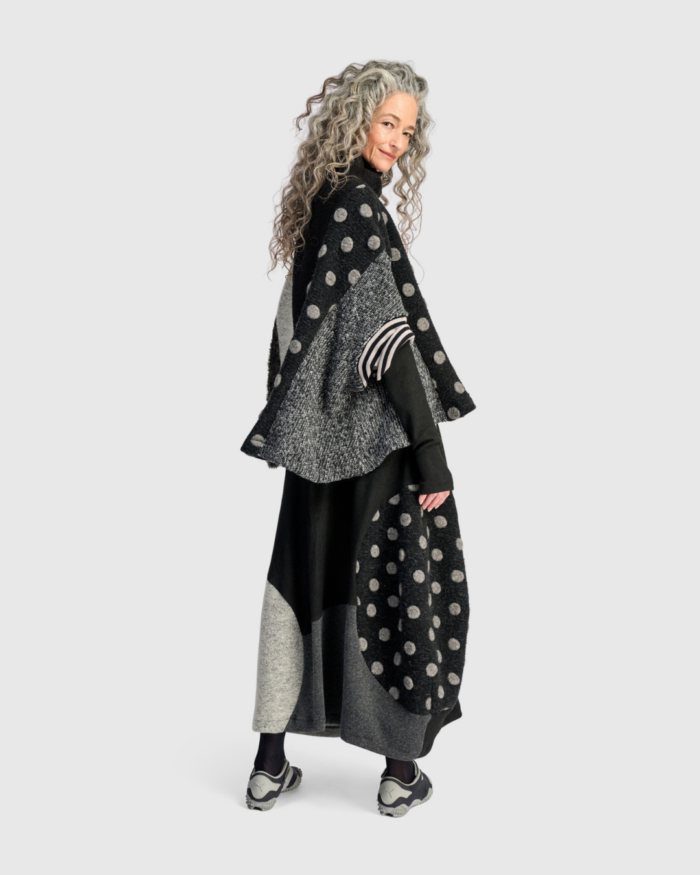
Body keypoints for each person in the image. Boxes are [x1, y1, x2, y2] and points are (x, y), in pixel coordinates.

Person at [240, 60, 477, 816]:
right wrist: (430, 453)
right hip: (379, 445)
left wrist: (304, 421)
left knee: (300, 586)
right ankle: (400, 772)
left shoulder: (320, 209)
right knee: (399, 590)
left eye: (408, 130)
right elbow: (388, 340)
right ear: (356, 120)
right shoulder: (360, 211)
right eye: (388, 123)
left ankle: (268, 765)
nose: (398, 141)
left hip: (316, 447)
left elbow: (289, 332)